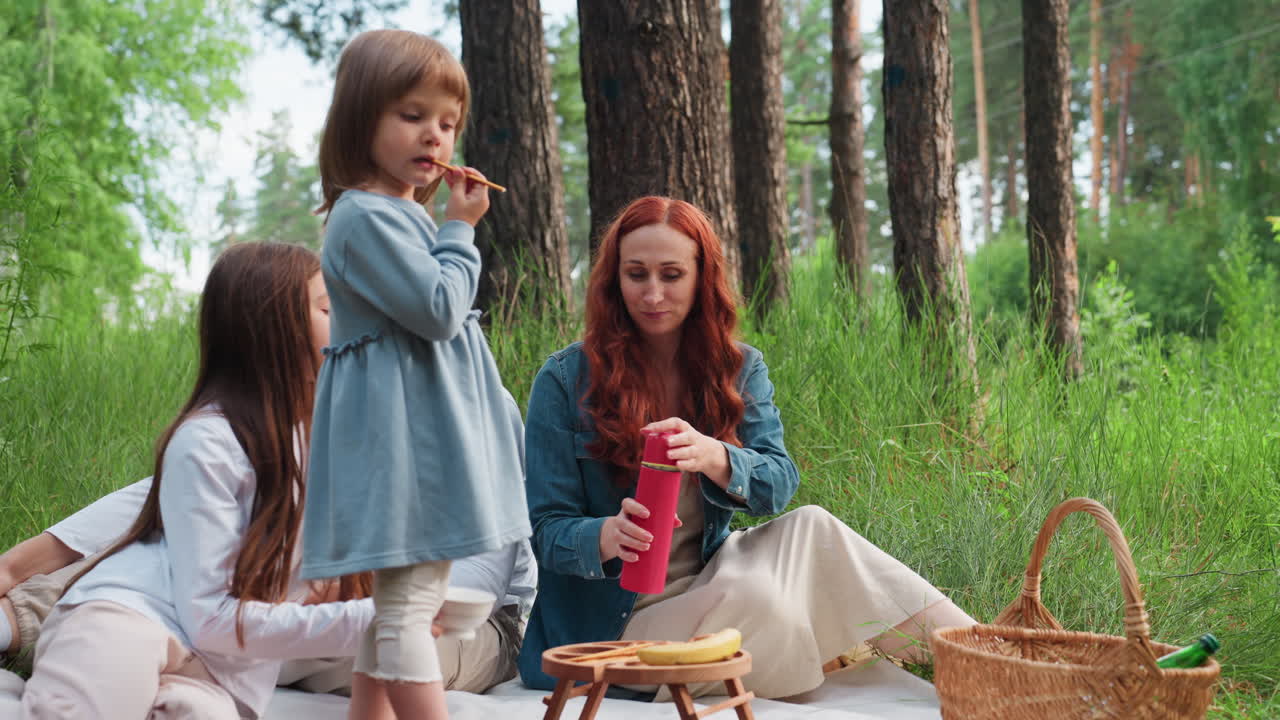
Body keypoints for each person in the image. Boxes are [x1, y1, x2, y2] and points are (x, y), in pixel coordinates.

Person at [516, 196, 978, 701]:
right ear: (614, 280)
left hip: (711, 580)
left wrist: (715, 456)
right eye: (636, 274)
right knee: (769, 605)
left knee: (813, 525)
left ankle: (985, 657)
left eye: (671, 275)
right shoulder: (564, 379)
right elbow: (546, 533)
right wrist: (608, 534)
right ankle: (975, 665)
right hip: (616, 629)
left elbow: (778, 483)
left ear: (700, 276)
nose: (652, 293)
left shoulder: (738, 368)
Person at [19, 243, 372, 719]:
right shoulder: (209, 440)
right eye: (329, 308)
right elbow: (212, 617)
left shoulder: (327, 444)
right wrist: (378, 620)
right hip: (130, 619)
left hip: (220, 672)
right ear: (272, 328)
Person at [303, 28, 531, 720]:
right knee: (408, 613)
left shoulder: (399, 214)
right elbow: (438, 310)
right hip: (404, 458)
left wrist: (442, 228)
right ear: (359, 119)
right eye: (412, 116)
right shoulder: (364, 216)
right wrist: (461, 230)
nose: (434, 136)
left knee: (398, 609)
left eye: (447, 123)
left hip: (420, 452)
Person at [0, 475, 536, 696]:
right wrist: (17, 564)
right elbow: (185, 482)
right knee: (174, 557)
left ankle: (155, 654)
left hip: (465, 624)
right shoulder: (320, 381)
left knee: (353, 628)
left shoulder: (470, 396)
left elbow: (473, 581)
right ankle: (14, 621)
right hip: (299, 585)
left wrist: (356, 585)